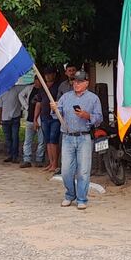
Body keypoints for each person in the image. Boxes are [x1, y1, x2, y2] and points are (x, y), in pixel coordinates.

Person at [51, 71, 102, 210]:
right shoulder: (65, 97)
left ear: (86, 82)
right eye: (74, 81)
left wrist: (87, 116)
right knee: (66, 170)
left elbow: (99, 119)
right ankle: (70, 194)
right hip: (67, 137)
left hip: (84, 136)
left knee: (83, 170)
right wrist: (54, 109)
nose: (76, 84)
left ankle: (81, 198)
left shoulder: (93, 98)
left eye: (79, 81)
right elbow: (57, 116)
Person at [35, 67, 61, 173]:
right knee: (47, 141)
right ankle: (50, 163)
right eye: (46, 74)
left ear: (54, 74)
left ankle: (55, 164)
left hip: (54, 117)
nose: (48, 76)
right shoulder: (42, 87)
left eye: (50, 74)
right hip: (44, 116)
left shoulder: (58, 86)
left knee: (53, 139)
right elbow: (38, 103)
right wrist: (35, 118)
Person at [19, 76, 45, 168]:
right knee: (27, 140)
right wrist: (26, 106)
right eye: (36, 80)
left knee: (41, 140)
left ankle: (39, 159)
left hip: (40, 119)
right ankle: (27, 159)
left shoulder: (44, 90)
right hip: (29, 118)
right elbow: (20, 95)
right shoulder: (29, 88)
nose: (38, 82)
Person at [0, 83, 25, 163]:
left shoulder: (17, 88)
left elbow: (28, 86)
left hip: (15, 117)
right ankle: (10, 154)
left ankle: (15, 155)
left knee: (15, 137)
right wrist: (0, 118)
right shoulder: (1, 92)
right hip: (5, 118)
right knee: (8, 138)